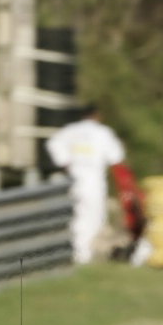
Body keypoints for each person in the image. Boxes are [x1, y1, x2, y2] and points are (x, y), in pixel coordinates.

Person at [45, 104, 126, 264]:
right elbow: (116, 157)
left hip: (74, 180)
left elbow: (53, 144)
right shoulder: (103, 132)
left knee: (77, 215)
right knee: (93, 217)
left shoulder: (71, 130)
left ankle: (80, 251)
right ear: (97, 115)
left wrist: (65, 161)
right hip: (93, 181)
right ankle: (84, 254)